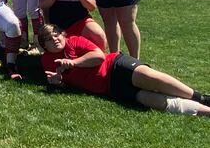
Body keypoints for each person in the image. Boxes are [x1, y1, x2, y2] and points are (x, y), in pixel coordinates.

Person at [39, 24, 210, 117]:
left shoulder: (75, 41)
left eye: (56, 34)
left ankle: (201, 98)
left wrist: (73, 62)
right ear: (44, 45)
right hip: (110, 88)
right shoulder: (47, 60)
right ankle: (206, 111)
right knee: (154, 101)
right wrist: (58, 82)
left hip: (115, 65)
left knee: (149, 77)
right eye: (48, 38)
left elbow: (98, 56)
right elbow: (62, 81)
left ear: (64, 35)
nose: (54, 39)